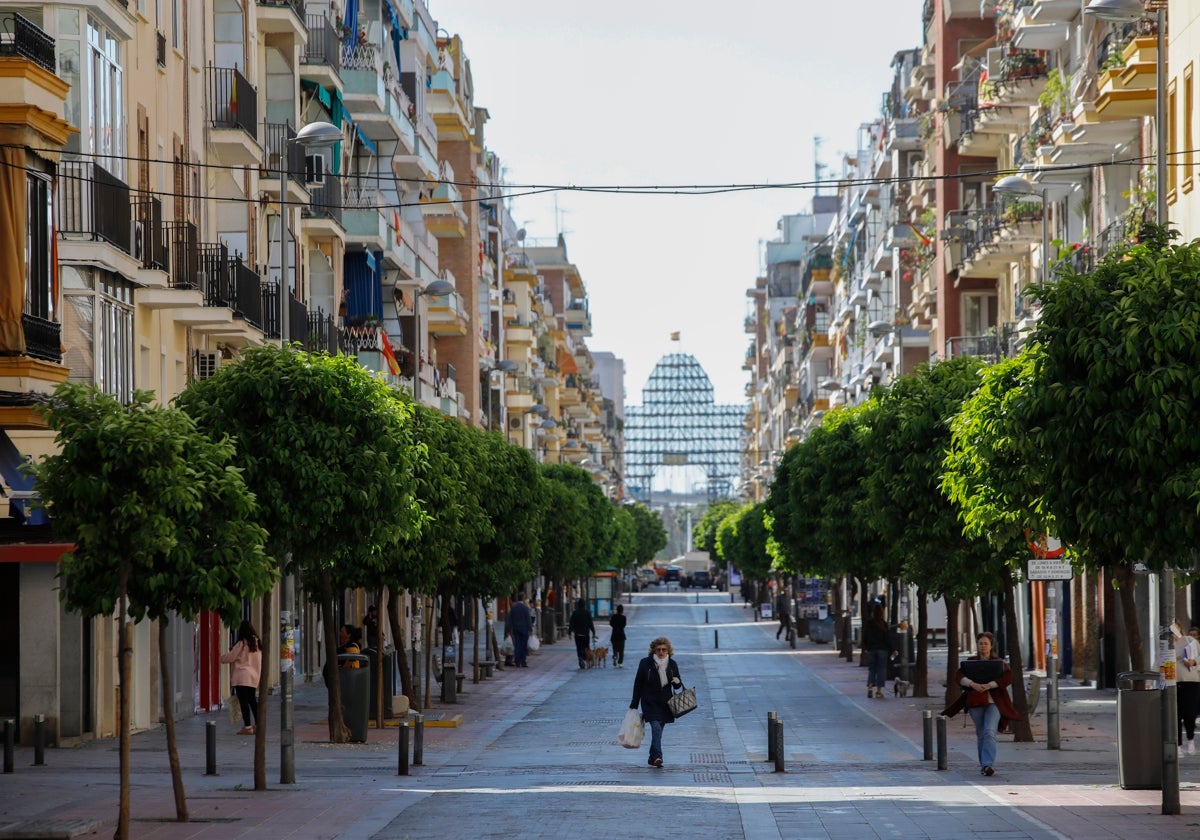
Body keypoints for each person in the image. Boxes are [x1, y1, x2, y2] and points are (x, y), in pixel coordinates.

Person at [941, 631, 1021, 777]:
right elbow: (958, 676)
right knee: (981, 733)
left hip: (994, 702)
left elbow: (1007, 677)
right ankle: (984, 765)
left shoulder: (1000, 663)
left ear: (991, 646)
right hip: (975, 702)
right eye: (980, 643)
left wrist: (990, 685)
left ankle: (987, 764)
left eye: (986, 643)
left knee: (989, 732)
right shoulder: (970, 662)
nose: (983, 646)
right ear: (977, 645)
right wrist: (973, 684)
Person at [629, 636, 683, 768]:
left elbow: (677, 686)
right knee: (656, 728)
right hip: (649, 702)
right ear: (653, 650)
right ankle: (658, 756)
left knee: (658, 731)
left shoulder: (672, 664)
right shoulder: (645, 663)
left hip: (666, 703)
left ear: (668, 650)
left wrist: (677, 682)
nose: (661, 652)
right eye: (658, 649)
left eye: (664, 649)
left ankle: (652, 757)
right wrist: (634, 704)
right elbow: (638, 684)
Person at [220, 620, 262, 735]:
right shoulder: (257, 643)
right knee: (253, 701)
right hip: (253, 677)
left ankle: (247, 727)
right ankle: (259, 725)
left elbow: (231, 657)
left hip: (242, 677)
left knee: (243, 702)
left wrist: (220, 658)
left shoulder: (242, 644)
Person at [1175, 622, 1200, 756]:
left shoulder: (1190, 641)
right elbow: (1159, 662)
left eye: (1175, 626)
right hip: (1173, 683)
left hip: (1191, 682)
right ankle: (1178, 745)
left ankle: (1190, 740)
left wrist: (1194, 662)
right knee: (1175, 715)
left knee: (1190, 714)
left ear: (1180, 628)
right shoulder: (1166, 644)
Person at [863, 604, 891, 699]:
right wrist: (891, 649)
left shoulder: (869, 624)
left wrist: (866, 647)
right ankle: (879, 691)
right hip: (882, 650)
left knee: (872, 669)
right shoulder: (883, 624)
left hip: (871, 649)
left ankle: (870, 686)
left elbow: (865, 637)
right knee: (881, 669)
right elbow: (887, 639)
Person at [505, 592, 534, 668]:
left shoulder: (513, 608)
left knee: (517, 645)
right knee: (523, 646)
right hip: (524, 629)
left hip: (516, 629)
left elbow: (510, 620)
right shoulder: (525, 608)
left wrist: (508, 629)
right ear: (523, 599)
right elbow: (528, 619)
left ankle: (517, 661)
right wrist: (530, 629)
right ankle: (523, 662)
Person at [569, 599, 596, 669]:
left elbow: (571, 623)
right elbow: (590, 623)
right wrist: (593, 632)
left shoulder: (575, 613)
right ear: (584, 604)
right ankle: (585, 658)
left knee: (579, 647)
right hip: (585, 634)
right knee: (586, 647)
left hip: (577, 634)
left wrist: (569, 632)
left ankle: (580, 657)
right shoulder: (587, 612)